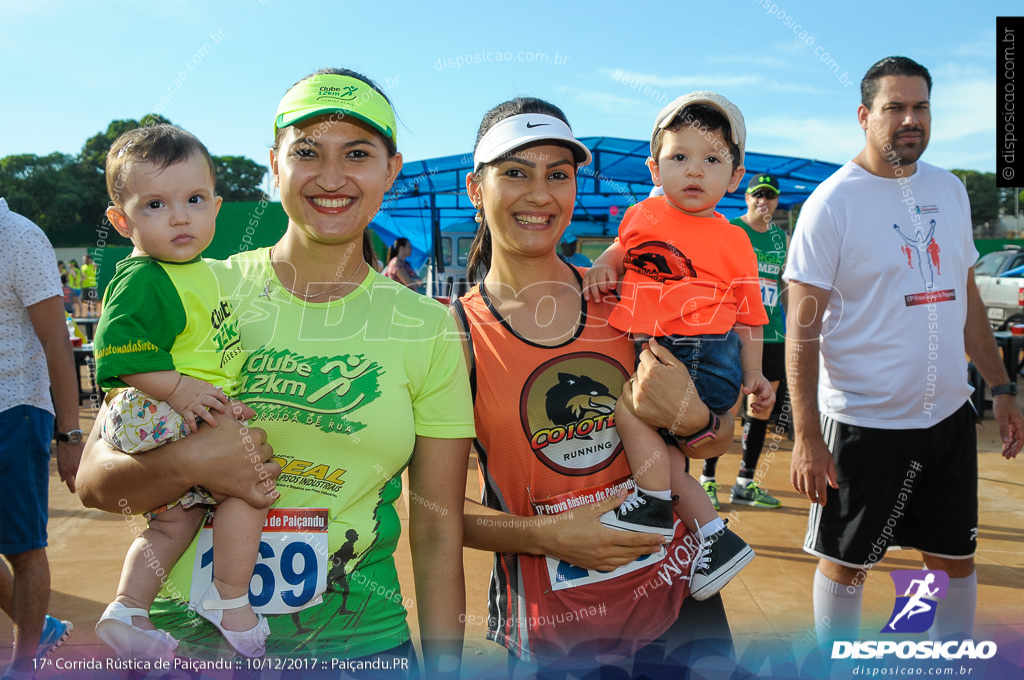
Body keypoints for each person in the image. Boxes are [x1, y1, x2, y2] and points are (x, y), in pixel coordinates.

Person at [76, 68, 473, 675]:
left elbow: (439, 532)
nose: (332, 177)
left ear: (391, 171)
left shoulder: (428, 325)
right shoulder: (198, 282)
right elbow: (97, 484)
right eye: (307, 152)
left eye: (358, 154)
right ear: (274, 165)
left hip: (358, 645)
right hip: (188, 646)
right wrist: (191, 464)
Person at [456, 97, 738, 677]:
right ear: (475, 190)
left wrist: (695, 422)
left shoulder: (628, 295)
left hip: (680, 606)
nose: (539, 194)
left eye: (558, 174)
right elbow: (435, 514)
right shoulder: (454, 334)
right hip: (557, 638)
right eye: (515, 172)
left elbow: (715, 440)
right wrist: (549, 535)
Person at [784, 56, 1024, 645]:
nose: (909, 119)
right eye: (895, 108)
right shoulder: (831, 204)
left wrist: (1001, 387)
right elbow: (800, 330)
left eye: (920, 107)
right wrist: (808, 437)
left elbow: (966, 301)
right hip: (864, 423)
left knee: (951, 561)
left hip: (946, 418)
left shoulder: (948, 189)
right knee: (849, 565)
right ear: (865, 116)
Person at [92, 124, 268, 660]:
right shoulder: (144, 275)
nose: (179, 216)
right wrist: (183, 390)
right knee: (249, 481)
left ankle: (127, 610)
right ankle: (232, 599)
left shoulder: (199, 272)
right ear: (122, 220)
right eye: (154, 205)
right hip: (157, 403)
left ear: (215, 207)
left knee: (175, 517)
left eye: (194, 200)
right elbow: (116, 350)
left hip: (166, 407)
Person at [582, 92, 770, 588]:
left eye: (711, 160)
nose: (693, 171)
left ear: (734, 178)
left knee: (629, 412)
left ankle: (651, 508)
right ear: (654, 168)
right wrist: (606, 263)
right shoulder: (642, 215)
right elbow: (625, 248)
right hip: (659, 348)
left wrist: (753, 373)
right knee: (665, 459)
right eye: (679, 157)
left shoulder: (734, 241)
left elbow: (751, 316)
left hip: (703, 352)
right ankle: (716, 536)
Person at [0, 197, 83, 680]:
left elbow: (58, 341)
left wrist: (69, 433)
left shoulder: (20, 238)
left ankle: (24, 664)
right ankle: (44, 629)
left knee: (23, 548)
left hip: (17, 411)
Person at [699, 174, 788, 510]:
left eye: (770, 196)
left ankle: (745, 482)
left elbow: (782, 285)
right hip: (735, 330)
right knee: (726, 406)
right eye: (757, 195)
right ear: (746, 197)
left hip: (772, 333)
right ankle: (708, 479)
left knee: (761, 408)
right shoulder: (731, 229)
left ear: (777, 202)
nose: (764, 201)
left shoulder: (781, 238)